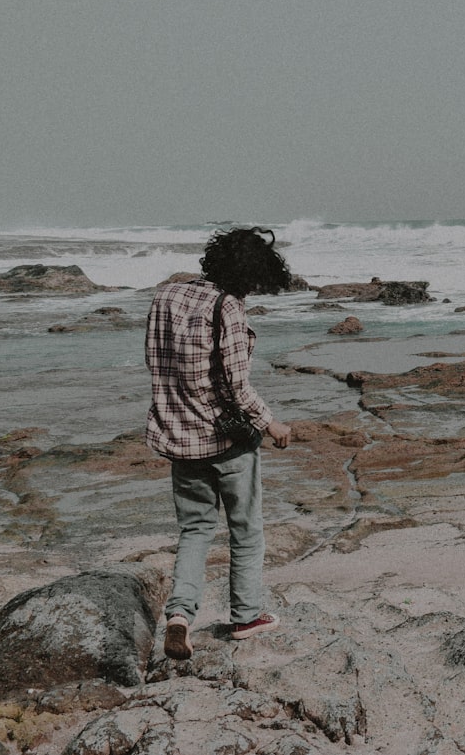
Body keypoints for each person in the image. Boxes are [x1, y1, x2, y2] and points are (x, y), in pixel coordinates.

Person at [145, 226, 293, 660]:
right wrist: (272, 424)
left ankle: (179, 617)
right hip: (226, 440)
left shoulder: (167, 295)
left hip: (179, 438)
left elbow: (157, 364)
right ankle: (246, 616)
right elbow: (236, 385)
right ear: (250, 273)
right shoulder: (227, 307)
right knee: (246, 530)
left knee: (194, 530)